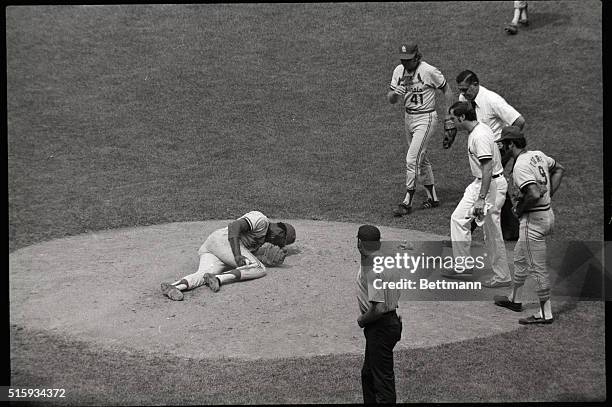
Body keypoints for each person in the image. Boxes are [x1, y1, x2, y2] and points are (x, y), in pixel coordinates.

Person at [493, 126, 565, 324]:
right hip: (546, 214)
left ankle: (545, 313)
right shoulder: (538, 155)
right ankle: (514, 300)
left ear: (512, 144)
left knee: (537, 267)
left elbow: (533, 193)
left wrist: (519, 209)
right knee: (519, 258)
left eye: (504, 145)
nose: (503, 149)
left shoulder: (521, 166)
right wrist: (548, 195)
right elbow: (559, 169)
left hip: (533, 221)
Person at [442, 102, 512, 288]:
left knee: (492, 232)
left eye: (453, 119)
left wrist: (481, 198)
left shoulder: (479, 136)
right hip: (480, 183)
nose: (452, 123)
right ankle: (462, 267)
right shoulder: (478, 129)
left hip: (491, 186)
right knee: (458, 218)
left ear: (462, 118)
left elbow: (488, 167)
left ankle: (502, 275)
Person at [160, 211, 296, 300]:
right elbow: (234, 227)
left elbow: (246, 258)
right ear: (280, 229)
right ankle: (219, 279)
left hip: (214, 247)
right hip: (223, 239)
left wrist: (265, 259)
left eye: (281, 243)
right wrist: (237, 255)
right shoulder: (261, 220)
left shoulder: (260, 241)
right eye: (281, 239)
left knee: (203, 273)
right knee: (259, 269)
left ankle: (174, 287)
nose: (277, 243)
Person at [456, 69, 526, 241]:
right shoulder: (464, 100)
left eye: (466, 89)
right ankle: (512, 229)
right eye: (460, 90)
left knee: (486, 184)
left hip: (497, 150)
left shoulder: (492, 100)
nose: (463, 93)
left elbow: (519, 121)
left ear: (475, 84)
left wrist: (507, 145)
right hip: (481, 148)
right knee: (495, 186)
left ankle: (465, 228)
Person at [387, 43, 455, 216]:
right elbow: (391, 99)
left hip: (426, 118)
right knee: (420, 157)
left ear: (417, 57)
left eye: (408, 60)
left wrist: (448, 117)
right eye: (403, 59)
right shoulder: (398, 71)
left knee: (412, 158)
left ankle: (407, 201)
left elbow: (447, 90)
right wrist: (396, 93)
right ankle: (432, 198)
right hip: (408, 117)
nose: (405, 63)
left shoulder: (429, 71)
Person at [356, 225, 402, 404]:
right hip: (391, 323)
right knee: (368, 375)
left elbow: (379, 308)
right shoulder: (389, 262)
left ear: (359, 242)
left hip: (380, 327)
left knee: (382, 382)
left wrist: (362, 320)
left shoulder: (372, 269)